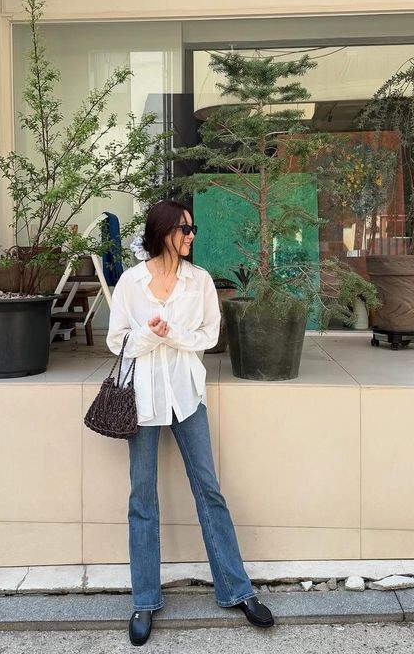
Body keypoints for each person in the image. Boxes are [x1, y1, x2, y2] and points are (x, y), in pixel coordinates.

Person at [106, 198, 274, 646]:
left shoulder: (199, 281)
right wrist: (149, 335)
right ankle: (145, 599)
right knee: (142, 496)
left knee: (209, 489)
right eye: (185, 229)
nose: (191, 236)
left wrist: (172, 334)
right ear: (164, 231)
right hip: (141, 400)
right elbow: (116, 342)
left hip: (187, 396)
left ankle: (238, 590)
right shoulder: (131, 283)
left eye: (192, 229)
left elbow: (210, 335)